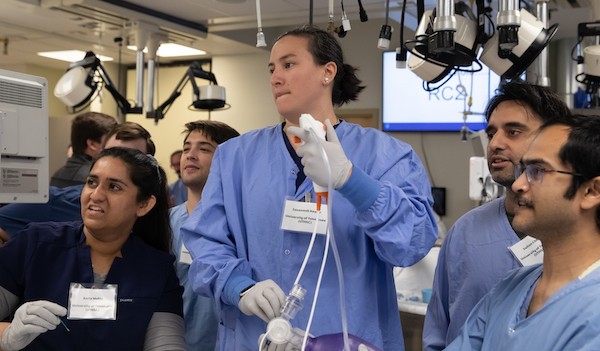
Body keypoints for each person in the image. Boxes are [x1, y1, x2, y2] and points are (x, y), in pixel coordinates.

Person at [181, 26, 438, 351]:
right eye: (272, 69)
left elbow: (412, 244)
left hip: (348, 338)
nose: (275, 78)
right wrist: (239, 287)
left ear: (327, 71)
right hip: (256, 338)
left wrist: (351, 182)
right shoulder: (236, 157)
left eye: (288, 65)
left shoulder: (385, 156)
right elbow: (205, 242)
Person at [423, 81, 571, 350]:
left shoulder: (577, 233)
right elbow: (438, 330)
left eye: (513, 132)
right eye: (492, 133)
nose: (494, 143)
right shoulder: (465, 232)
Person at [0, 147, 185, 350]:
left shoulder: (157, 269)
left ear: (144, 205)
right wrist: (7, 337)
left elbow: (166, 344)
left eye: (114, 187)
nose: (96, 195)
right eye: (91, 182)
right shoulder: (36, 244)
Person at [445, 114, 600, 350]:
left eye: (537, 171)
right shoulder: (511, 286)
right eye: (524, 169)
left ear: (591, 191)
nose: (518, 185)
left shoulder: (593, 310)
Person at [0, 122, 155, 243]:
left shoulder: (153, 214)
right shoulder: (61, 200)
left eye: (132, 158)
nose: (117, 164)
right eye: (111, 153)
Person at [170, 120, 239, 350]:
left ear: (227, 159)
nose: (190, 155)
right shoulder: (164, 224)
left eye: (204, 148)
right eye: (186, 147)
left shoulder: (242, 226)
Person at [50, 112, 118, 188]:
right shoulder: (97, 179)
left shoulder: (56, 175)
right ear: (92, 144)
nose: (113, 146)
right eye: (108, 140)